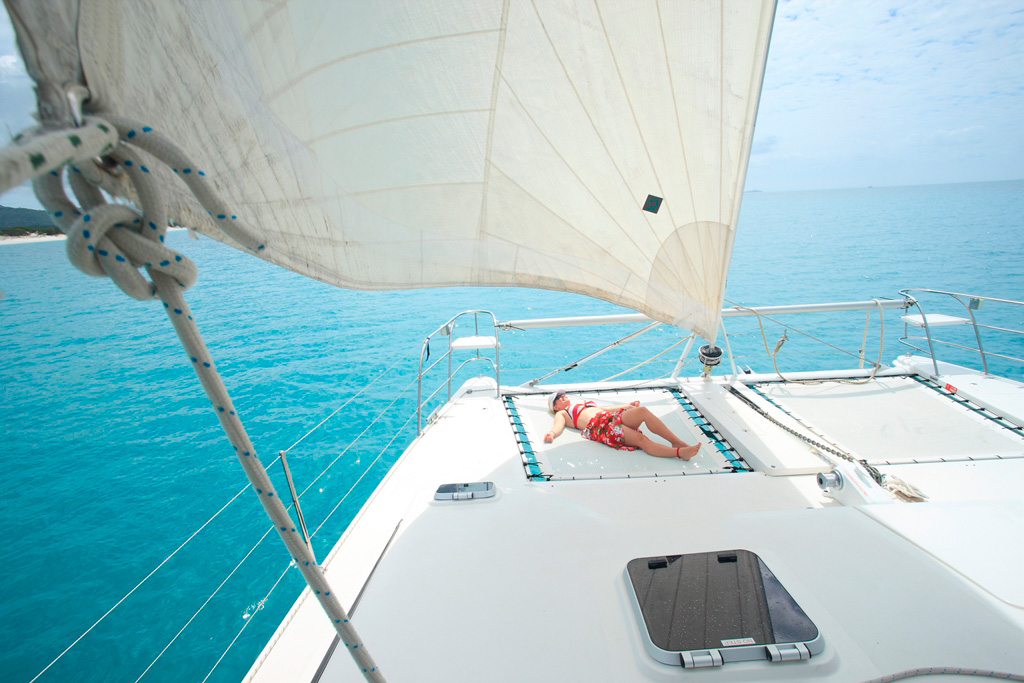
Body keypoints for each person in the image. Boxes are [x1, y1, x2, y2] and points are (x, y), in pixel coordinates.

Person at [543, 391, 701, 460]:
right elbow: (558, 425)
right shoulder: (563, 413)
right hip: (602, 427)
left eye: (562, 394)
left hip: (611, 418)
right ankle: (679, 453)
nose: (562, 396)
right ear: (555, 407)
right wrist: (552, 433)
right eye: (558, 397)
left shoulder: (585, 404)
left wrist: (628, 406)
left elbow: (605, 409)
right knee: (641, 439)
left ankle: (675, 440)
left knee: (642, 411)